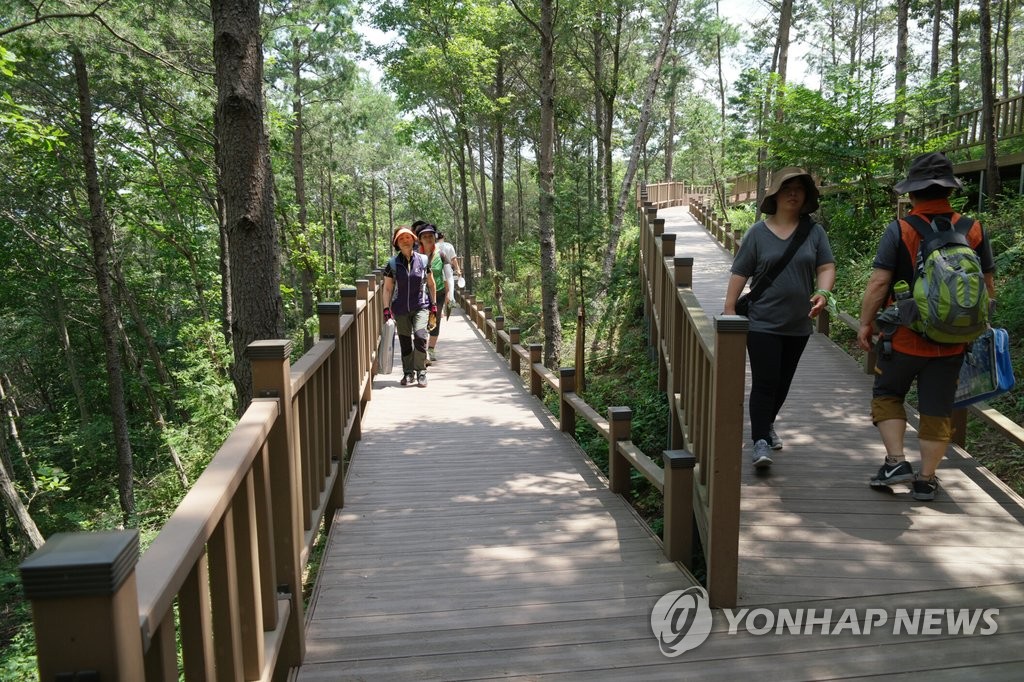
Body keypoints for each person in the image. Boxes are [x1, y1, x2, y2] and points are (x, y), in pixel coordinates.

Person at [857, 152, 996, 501]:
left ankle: (895, 462)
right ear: (949, 191)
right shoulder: (973, 229)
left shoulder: (902, 228)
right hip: (951, 342)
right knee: (937, 407)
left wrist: (866, 323)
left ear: (913, 193)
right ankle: (926, 478)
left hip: (902, 338)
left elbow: (878, 283)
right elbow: (988, 289)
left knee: (888, 394)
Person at [724, 167, 836, 469]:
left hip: (798, 323)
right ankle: (760, 440)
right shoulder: (757, 233)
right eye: (788, 188)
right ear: (775, 194)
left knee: (783, 382)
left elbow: (826, 267)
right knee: (766, 380)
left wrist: (823, 294)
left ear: (806, 196)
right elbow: (740, 271)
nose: (793, 193)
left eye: (800, 188)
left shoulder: (814, 233)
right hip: (762, 322)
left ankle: (767, 424)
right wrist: (730, 308)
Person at [382, 226, 438, 387]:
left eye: (408, 238)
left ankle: (421, 372)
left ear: (413, 240)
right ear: (396, 244)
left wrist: (433, 305)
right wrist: (387, 308)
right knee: (405, 341)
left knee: (420, 336)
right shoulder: (392, 264)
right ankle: (408, 373)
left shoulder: (423, 260)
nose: (405, 241)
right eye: (401, 239)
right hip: (400, 309)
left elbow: (431, 283)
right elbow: (387, 288)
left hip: (421, 305)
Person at [414, 222, 450, 363]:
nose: (429, 238)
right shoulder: (415, 255)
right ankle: (423, 351)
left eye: (431, 236)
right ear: (420, 239)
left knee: (434, 321)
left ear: (435, 238)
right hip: (420, 294)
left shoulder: (441, 254)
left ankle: (430, 349)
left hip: (439, 292)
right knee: (420, 322)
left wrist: (448, 294)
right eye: (425, 236)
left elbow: (448, 276)